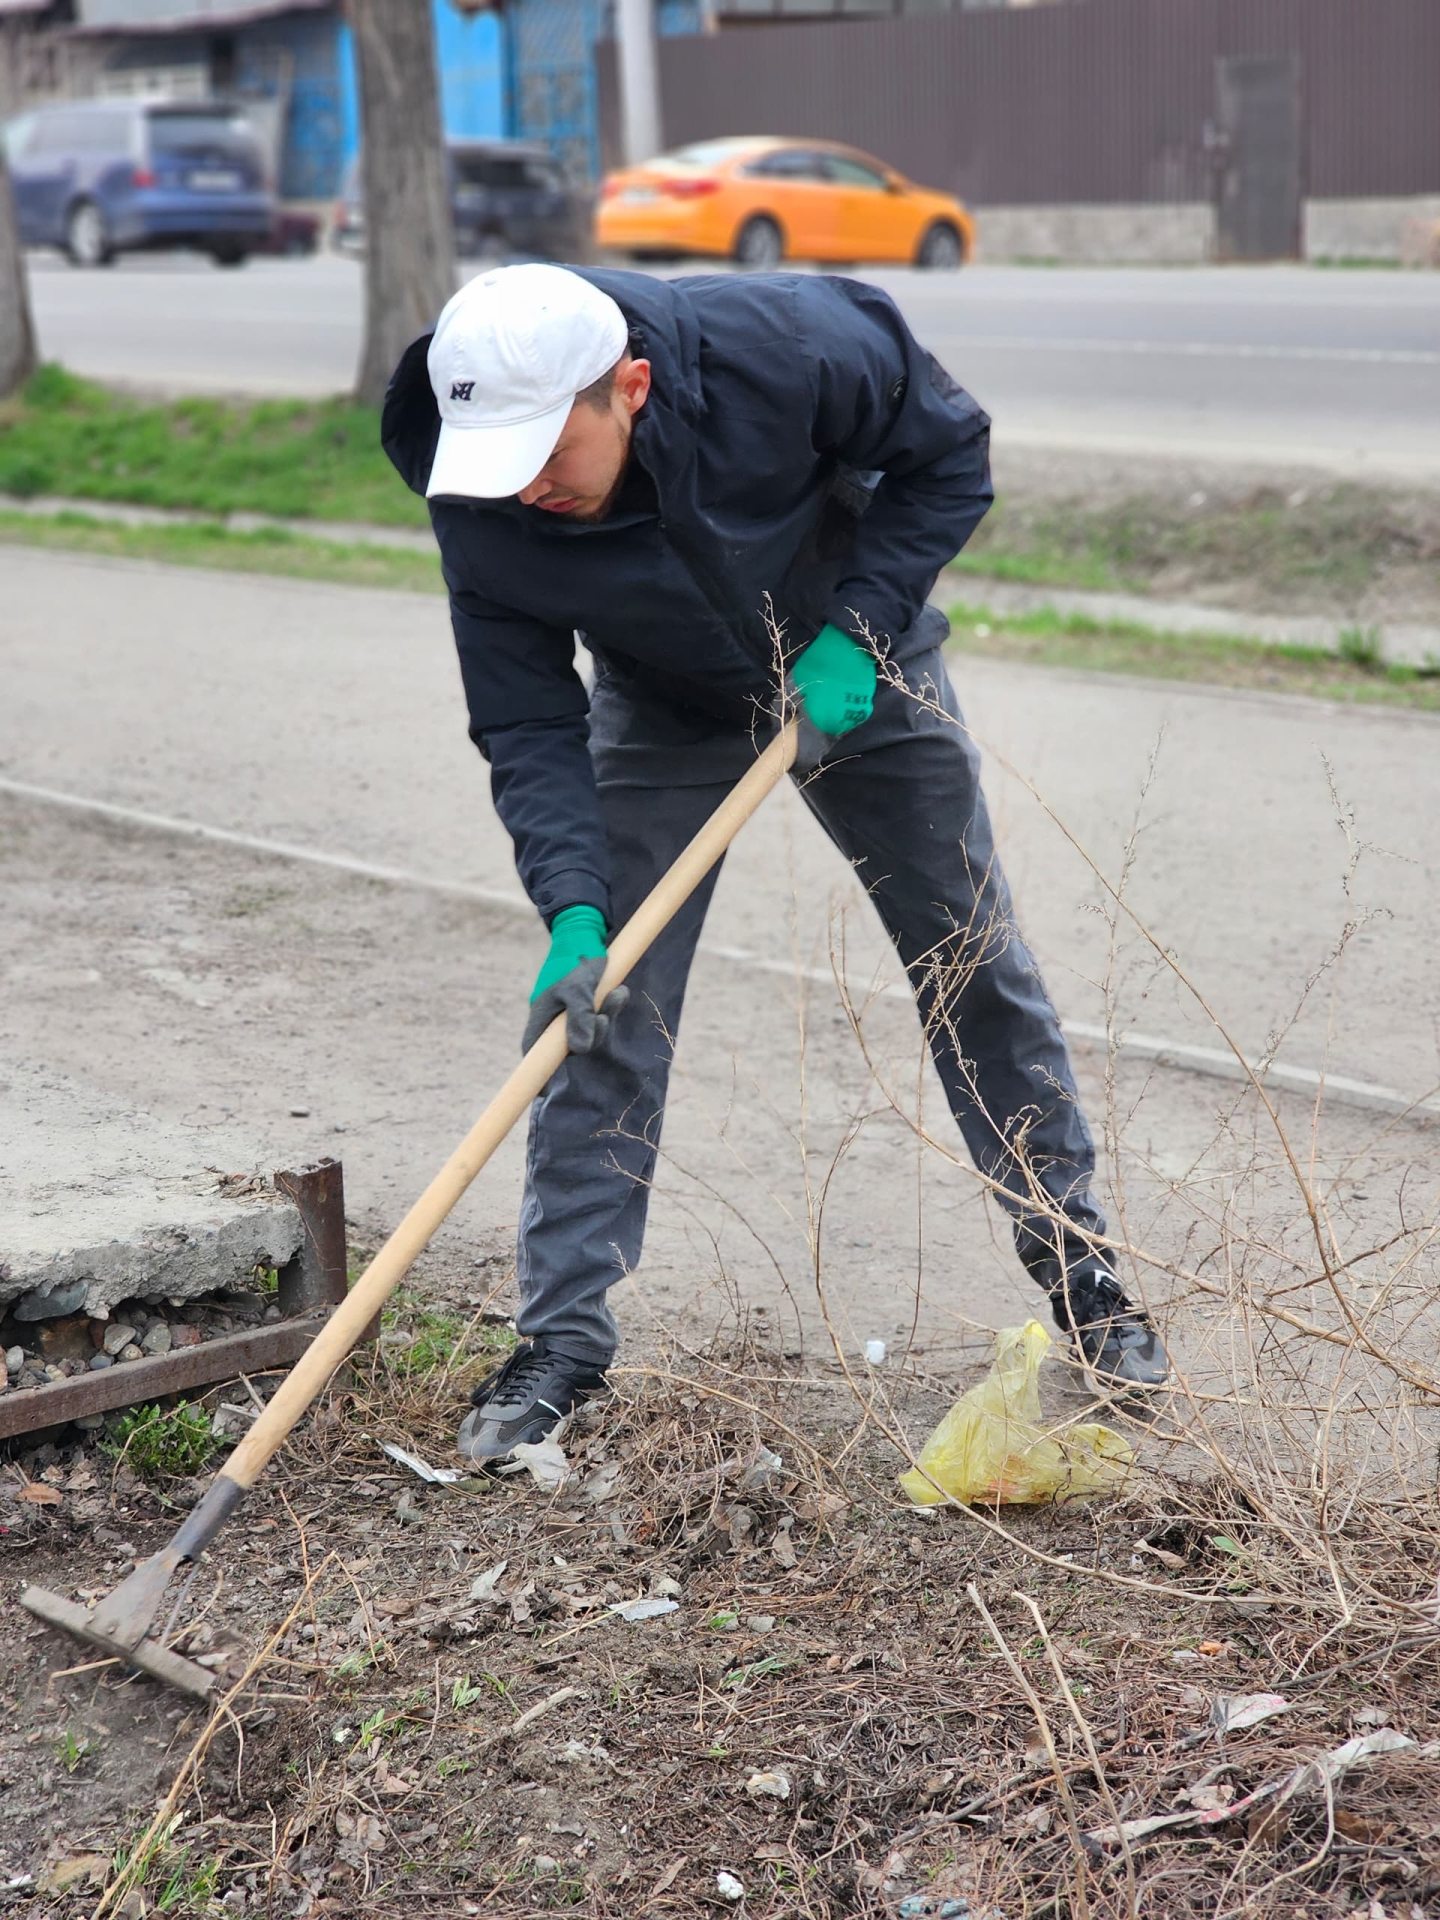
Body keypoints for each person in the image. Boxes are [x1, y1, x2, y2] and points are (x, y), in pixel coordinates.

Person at [382, 262, 1169, 1463]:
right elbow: (527, 721)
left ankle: (1088, 1282)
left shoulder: (790, 346)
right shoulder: (479, 480)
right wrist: (574, 908)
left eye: (550, 452)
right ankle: (561, 1342)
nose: (527, 487)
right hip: (665, 703)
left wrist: (858, 630)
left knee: (972, 962)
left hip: (858, 665)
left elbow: (948, 456)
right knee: (599, 1004)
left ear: (630, 389)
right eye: (502, 464)